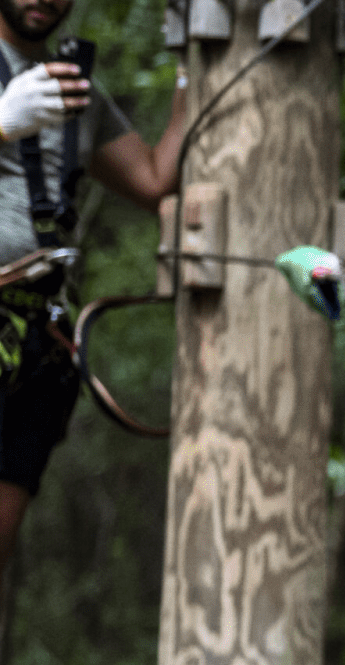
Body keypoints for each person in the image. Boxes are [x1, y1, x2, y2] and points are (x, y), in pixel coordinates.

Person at [0, 0, 187, 595]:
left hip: (35, 341)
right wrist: (3, 121)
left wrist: (190, 66)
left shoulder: (74, 91)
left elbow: (156, 181)